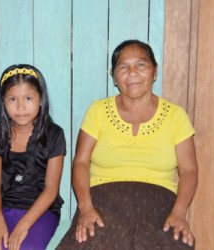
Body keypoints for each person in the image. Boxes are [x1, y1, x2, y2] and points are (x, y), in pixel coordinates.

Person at [57, 40, 198, 249]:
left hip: (160, 207)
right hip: (101, 203)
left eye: (141, 65)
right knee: (90, 242)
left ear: (155, 71)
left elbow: (189, 171)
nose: (132, 72)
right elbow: (80, 162)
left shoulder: (176, 116)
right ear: (114, 76)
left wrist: (179, 212)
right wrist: (86, 208)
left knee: (172, 243)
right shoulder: (98, 111)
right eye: (123, 67)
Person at [0, 64, 66, 250]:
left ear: (41, 99)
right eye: (12, 99)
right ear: (3, 101)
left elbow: (51, 190)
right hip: (4, 209)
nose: (20, 107)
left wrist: (24, 225)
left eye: (28, 98)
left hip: (41, 211)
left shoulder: (54, 135)